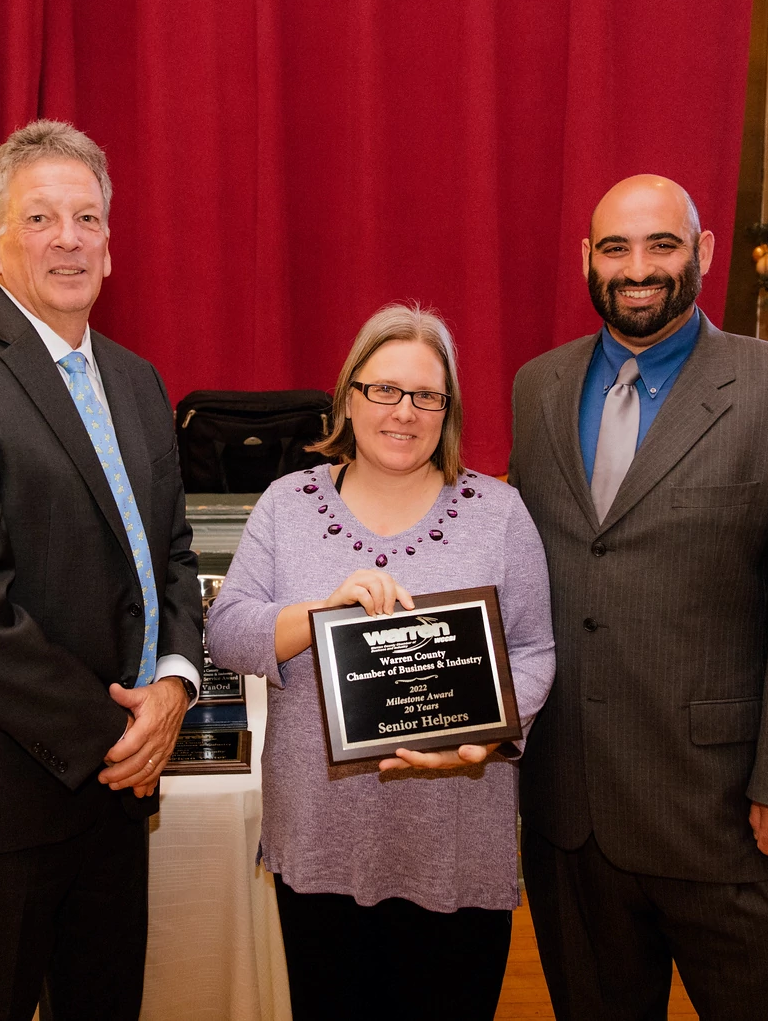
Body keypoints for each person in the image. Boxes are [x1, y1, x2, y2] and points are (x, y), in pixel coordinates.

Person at [508, 175, 768, 1020]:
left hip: (728, 817)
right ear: (587, 259)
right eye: (615, 248)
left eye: (661, 244)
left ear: (702, 251)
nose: (638, 268)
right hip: (571, 814)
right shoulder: (538, 387)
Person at [0, 119, 203, 1021]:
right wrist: (118, 736)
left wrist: (174, 683)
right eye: (41, 218)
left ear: (109, 244)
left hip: (112, 804)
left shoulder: (137, 381)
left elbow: (171, 554)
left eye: (87, 218)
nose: (68, 239)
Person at [208, 303, 557, 1020]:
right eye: (385, 389)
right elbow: (228, 633)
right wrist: (319, 613)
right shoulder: (286, 505)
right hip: (321, 839)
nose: (404, 412)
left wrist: (486, 736)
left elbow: (533, 650)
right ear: (348, 397)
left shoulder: (500, 513)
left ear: (447, 411)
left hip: (455, 841)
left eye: (427, 395)